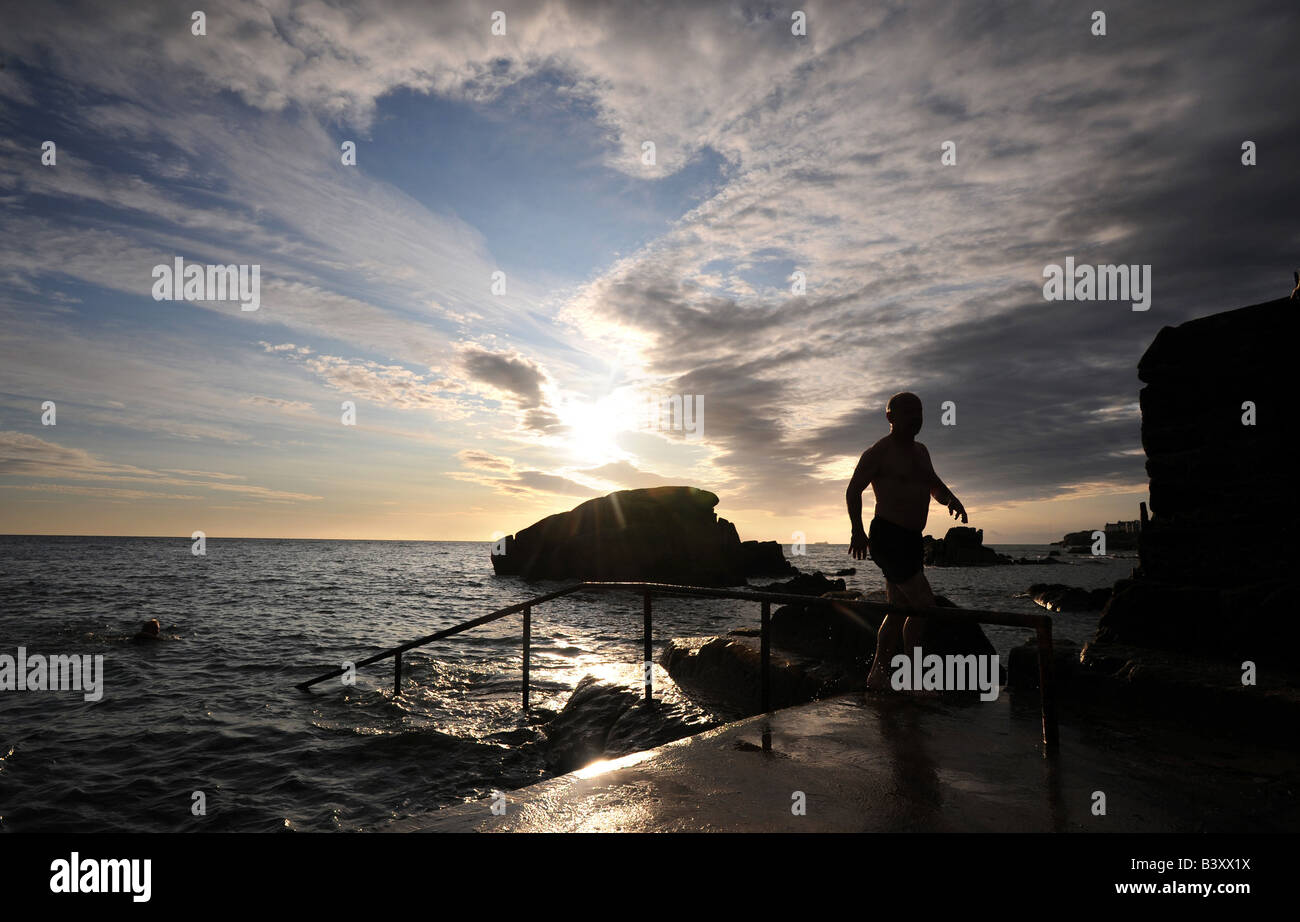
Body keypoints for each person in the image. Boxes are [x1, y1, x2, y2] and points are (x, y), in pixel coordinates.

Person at [845, 392, 967, 691]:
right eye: (909, 411)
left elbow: (933, 484)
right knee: (924, 605)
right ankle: (912, 677)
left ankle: (877, 675)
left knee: (899, 610)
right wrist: (857, 531)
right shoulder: (878, 452)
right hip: (887, 536)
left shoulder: (921, 452)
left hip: (913, 539)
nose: (916, 417)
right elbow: (853, 490)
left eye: (920, 411)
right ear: (890, 417)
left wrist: (951, 499)